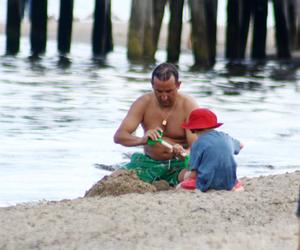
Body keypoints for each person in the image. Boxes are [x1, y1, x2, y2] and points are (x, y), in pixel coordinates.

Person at [114, 63, 198, 186]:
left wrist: (183, 152)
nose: (164, 97)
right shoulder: (143, 103)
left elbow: (196, 146)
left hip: (178, 165)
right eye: (158, 91)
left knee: (191, 176)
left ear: (178, 85)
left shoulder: (188, 105)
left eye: (169, 91)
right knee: (115, 179)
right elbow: (119, 136)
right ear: (152, 85)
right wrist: (142, 140)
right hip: (148, 163)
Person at [177, 108, 244, 192]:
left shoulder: (197, 143)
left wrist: (186, 179)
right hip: (229, 182)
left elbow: (193, 174)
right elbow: (241, 145)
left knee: (182, 181)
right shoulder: (226, 137)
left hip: (207, 183)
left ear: (192, 129)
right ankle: (235, 187)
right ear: (214, 125)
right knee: (234, 181)